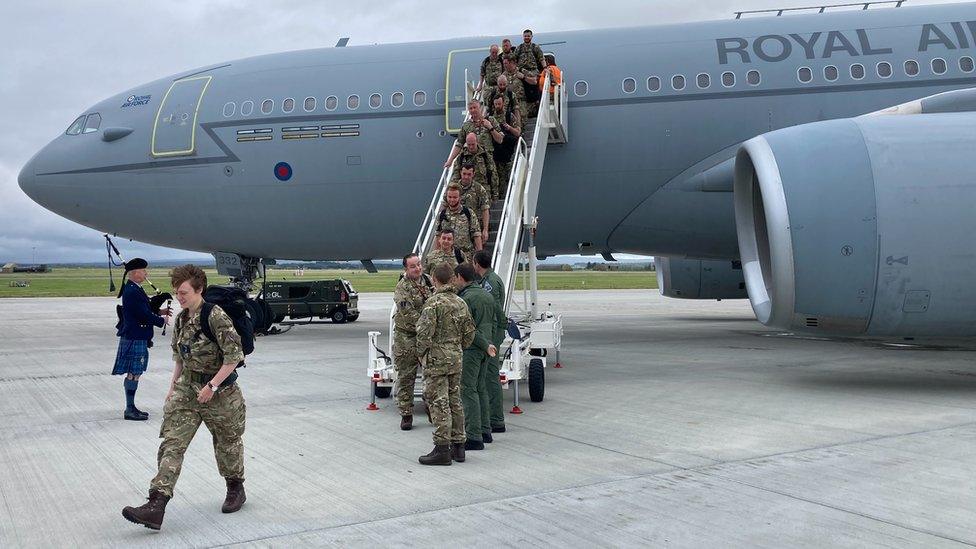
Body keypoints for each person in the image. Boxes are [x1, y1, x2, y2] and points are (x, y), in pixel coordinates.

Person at [122, 265, 247, 530]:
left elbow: (234, 357)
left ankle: (235, 487)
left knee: (227, 444)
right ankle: (156, 504)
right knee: (172, 444)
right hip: (187, 390)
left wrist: (211, 386)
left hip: (221, 392)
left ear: (199, 290)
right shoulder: (181, 319)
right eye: (177, 293)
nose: (179, 297)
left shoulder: (216, 317)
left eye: (184, 292)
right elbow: (180, 356)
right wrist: (172, 387)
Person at [415, 263, 475, 465]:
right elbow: (469, 334)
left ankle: (442, 449)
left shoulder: (433, 304)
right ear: (451, 279)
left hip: (437, 360)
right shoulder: (461, 303)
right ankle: (459, 447)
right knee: (454, 401)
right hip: (455, 358)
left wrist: (421, 354)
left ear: (434, 279)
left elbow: (423, 335)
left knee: (439, 403)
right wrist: (457, 348)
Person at [113, 258, 171, 421]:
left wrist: (160, 312)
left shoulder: (134, 288)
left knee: (135, 373)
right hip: (135, 335)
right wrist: (161, 321)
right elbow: (142, 314)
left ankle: (131, 407)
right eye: (144, 270)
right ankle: (130, 409)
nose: (146, 273)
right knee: (134, 373)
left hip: (135, 335)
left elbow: (144, 309)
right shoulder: (132, 291)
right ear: (135, 272)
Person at [454, 263, 498, 450]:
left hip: (473, 349)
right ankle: (485, 430)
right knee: (481, 388)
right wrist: (489, 344)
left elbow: (469, 329)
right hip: (485, 348)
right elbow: (496, 322)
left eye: (455, 278)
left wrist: (484, 344)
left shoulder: (466, 299)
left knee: (468, 390)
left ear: (460, 278)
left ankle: (473, 437)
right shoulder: (486, 295)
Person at [392, 253, 434, 430]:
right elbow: (408, 314)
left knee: (432, 375)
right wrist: (429, 324)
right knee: (406, 376)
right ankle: (406, 414)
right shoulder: (402, 287)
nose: (417, 268)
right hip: (407, 337)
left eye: (419, 265)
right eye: (413, 266)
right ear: (406, 269)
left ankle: (432, 409)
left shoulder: (429, 281)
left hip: (427, 336)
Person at [473, 250, 508, 435]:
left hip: (492, 333)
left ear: (477, 264)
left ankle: (496, 420)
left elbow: (493, 309)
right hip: (492, 332)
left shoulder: (490, 283)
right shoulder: (489, 279)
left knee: (491, 377)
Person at [444, 100, 502, 169]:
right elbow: (459, 144)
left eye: (475, 107)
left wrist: (490, 127)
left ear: (480, 108)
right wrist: (450, 160)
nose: (473, 110)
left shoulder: (490, 120)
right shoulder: (466, 125)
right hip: (471, 162)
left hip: (487, 160)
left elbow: (500, 140)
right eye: (470, 108)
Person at [437, 185, 482, 262]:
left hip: (466, 257)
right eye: (449, 197)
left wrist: (480, 257)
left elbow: (476, 235)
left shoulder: (468, 213)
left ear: (460, 197)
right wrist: (437, 256)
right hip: (447, 258)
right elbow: (438, 236)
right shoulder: (442, 215)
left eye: (455, 197)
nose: (452, 200)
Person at [450, 133, 499, 201]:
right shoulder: (462, 157)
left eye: (473, 144)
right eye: (469, 144)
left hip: (483, 190)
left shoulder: (485, 156)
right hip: (466, 191)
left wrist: (495, 194)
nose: (471, 147)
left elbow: (493, 175)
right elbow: (455, 175)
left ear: (477, 142)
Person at [450, 164, 490, 244]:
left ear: (473, 174)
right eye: (464, 174)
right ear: (460, 172)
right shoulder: (453, 189)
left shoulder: (479, 189)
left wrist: (485, 229)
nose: (466, 177)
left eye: (469, 174)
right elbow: (444, 206)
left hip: (474, 228)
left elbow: (485, 210)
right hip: (455, 228)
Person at [491, 95, 521, 199]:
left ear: (503, 103)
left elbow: (517, 133)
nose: (497, 106)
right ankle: (502, 198)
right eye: (496, 104)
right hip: (497, 153)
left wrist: (509, 128)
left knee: (511, 176)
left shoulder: (509, 116)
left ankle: (510, 197)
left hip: (509, 152)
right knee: (499, 178)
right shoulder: (490, 117)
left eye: (499, 103)